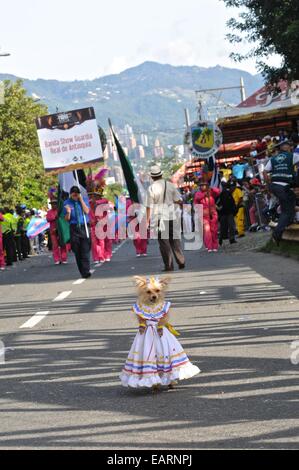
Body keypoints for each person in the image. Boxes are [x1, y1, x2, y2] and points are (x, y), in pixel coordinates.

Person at [146, 165, 185, 272]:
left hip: (159, 218)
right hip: (172, 216)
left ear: (152, 177)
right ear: (161, 175)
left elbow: (149, 206)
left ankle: (169, 265)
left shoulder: (151, 188)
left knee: (164, 243)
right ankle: (181, 260)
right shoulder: (170, 185)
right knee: (175, 240)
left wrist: (147, 221)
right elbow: (178, 200)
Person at [264, 140, 299, 244]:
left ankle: (288, 222)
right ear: (286, 147)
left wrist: (268, 186)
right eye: (289, 146)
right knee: (287, 211)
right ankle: (276, 235)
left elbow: (265, 172)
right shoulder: (292, 156)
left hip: (275, 186)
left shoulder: (273, 159)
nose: (291, 147)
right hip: (283, 186)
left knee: (291, 199)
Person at [64, 186, 91, 278]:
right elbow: (67, 219)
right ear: (70, 194)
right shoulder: (67, 203)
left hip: (84, 227)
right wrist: (68, 212)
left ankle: (86, 271)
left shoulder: (84, 200)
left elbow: (87, 211)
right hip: (74, 228)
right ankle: (82, 271)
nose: (75, 195)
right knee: (77, 251)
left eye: (77, 193)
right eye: (73, 193)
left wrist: (81, 200)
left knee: (85, 250)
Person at [194, 182, 220, 253]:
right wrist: (204, 195)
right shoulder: (198, 193)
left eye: (204, 185)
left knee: (214, 230)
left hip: (213, 214)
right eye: (201, 185)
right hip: (204, 215)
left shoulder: (211, 192)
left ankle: (215, 246)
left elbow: (218, 191)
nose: (203, 187)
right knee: (207, 231)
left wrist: (211, 189)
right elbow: (197, 199)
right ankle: (209, 246)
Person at [47, 200, 68, 265]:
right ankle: (57, 259)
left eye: (55, 204)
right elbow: (48, 219)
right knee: (55, 245)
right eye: (52, 204)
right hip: (53, 231)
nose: (54, 205)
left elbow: (64, 219)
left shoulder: (60, 211)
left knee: (63, 244)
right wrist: (55, 217)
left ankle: (64, 258)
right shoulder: (49, 212)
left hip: (61, 230)